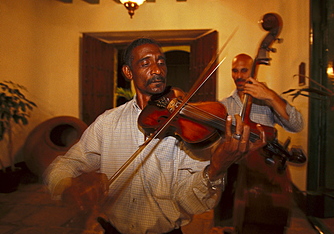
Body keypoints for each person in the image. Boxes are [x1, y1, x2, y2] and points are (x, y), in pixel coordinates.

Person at [44, 38, 266, 234]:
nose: (157, 69)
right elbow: (66, 164)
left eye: (161, 62)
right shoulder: (108, 122)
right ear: (128, 72)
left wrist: (216, 169)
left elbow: (192, 202)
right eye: (145, 63)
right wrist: (67, 186)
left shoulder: (186, 129)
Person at [214, 53, 304, 228]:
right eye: (235, 71)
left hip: (263, 174)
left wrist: (270, 96)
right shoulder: (224, 105)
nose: (238, 76)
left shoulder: (267, 100)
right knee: (227, 217)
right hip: (233, 170)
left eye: (244, 70)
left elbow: (296, 125)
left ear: (253, 71)